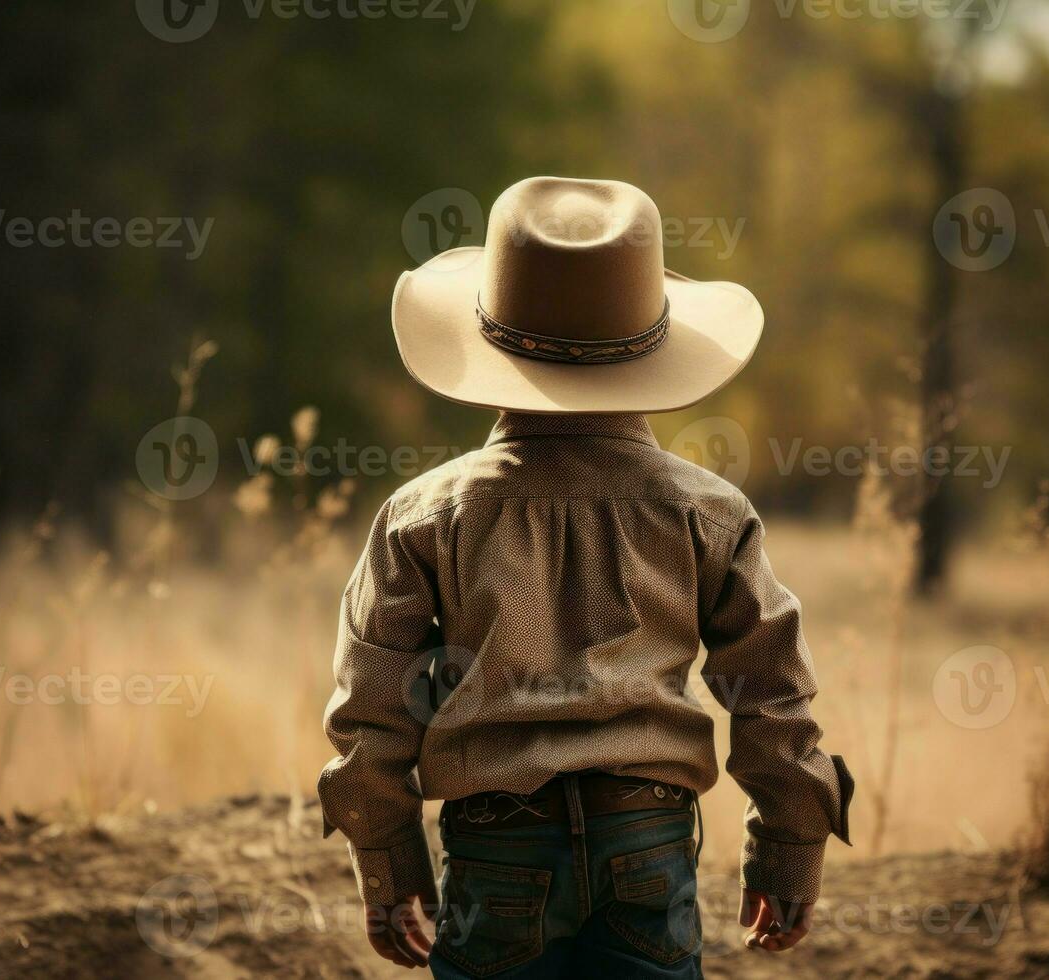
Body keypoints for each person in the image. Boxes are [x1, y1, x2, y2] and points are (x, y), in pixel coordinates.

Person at [318, 176, 853, 977]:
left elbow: (373, 707)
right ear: (650, 346)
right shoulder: (709, 511)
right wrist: (790, 847)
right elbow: (770, 687)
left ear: (490, 340)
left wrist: (390, 868)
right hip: (650, 842)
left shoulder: (424, 515)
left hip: (496, 844)